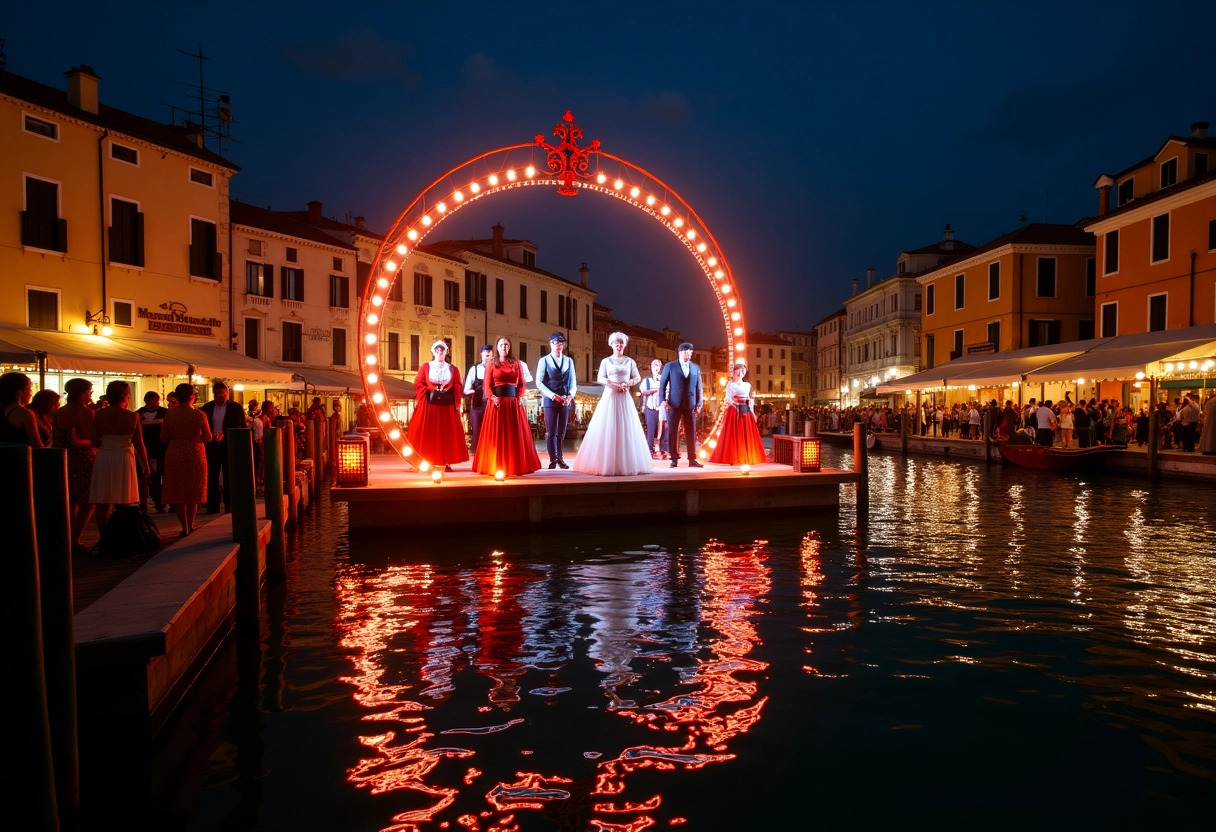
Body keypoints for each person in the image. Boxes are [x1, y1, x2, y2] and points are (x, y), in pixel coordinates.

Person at [573, 332, 652, 476]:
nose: (619, 345)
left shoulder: (630, 361)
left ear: (625, 344)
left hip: (625, 396)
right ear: (611, 344)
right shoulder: (606, 361)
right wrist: (614, 385)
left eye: (621, 342)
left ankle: (627, 462)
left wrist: (627, 384)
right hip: (610, 395)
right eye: (616, 342)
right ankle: (606, 462)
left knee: (626, 427)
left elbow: (638, 377)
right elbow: (601, 377)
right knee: (608, 426)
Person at [472, 337, 541, 477]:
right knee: (496, 435)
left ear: (509, 347)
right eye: (502, 345)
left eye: (507, 345)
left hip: (512, 403)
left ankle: (516, 465)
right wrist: (492, 397)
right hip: (497, 403)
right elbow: (487, 385)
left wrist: (519, 397)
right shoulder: (492, 364)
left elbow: (521, 383)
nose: (504, 347)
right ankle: (495, 465)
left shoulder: (516, 363)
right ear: (497, 347)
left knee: (514, 435)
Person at [89, 379, 149, 535]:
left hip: (105, 456)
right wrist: (145, 464)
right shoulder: (133, 416)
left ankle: (105, 537)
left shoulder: (99, 415)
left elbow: (94, 441)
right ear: (126, 396)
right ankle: (122, 536)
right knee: (123, 499)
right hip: (124, 457)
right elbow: (139, 444)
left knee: (103, 500)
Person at [51, 378, 97, 553]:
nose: (90, 395)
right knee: (88, 501)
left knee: (70, 501)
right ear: (81, 393)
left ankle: (69, 537)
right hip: (83, 459)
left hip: (64, 459)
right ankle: (76, 538)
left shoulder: (59, 412)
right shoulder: (85, 413)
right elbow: (89, 438)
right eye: (89, 392)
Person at [409, 340, 469, 472]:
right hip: (429, 405)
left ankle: (445, 460)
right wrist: (431, 388)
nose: (440, 352)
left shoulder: (452, 368)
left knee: (446, 433)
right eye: (438, 350)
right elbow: (418, 382)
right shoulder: (426, 367)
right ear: (433, 351)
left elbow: (458, 384)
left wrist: (449, 388)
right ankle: (425, 459)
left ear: (446, 352)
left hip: (446, 406)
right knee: (428, 432)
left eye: (442, 350)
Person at [161, 382, 211, 537]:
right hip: (195, 451)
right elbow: (208, 437)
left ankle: (184, 526)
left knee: (178, 490)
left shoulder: (170, 414)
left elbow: (163, 438)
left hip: (175, 450)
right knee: (193, 490)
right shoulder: (199, 415)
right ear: (192, 397)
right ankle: (191, 523)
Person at [201, 380, 246, 513]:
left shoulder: (235, 407)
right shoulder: (208, 407)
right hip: (212, 444)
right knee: (211, 476)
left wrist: (224, 434)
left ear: (227, 393)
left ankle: (230, 505)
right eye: (216, 394)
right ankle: (212, 506)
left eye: (221, 393)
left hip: (228, 444)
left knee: (229, 475)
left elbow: (239, 425)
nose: (219, 396)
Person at [709, 363, 766, 466]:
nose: (741, 373)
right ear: (735, 372)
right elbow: (728, 398)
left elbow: (750, 400)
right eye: (739, 371)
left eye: (743, 371)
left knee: (746, 433)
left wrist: (752, 412)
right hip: (734, 410)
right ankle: (733, 455)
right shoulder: (730, 384)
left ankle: (747, 455)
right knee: (733, 433)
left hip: (745, 409)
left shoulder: (747, 385)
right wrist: (736, 406)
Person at [536, 332, 577, 469]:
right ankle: (553, 459)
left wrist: (570, 396)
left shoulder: (569, 361)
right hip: (550, 400)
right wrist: (553, 395)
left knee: (561, 432)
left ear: (563, 345)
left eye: (560, 343)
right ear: (551, 344)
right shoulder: (544, 360)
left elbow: (573, 382)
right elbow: (539, 382)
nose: (558, 346)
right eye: (555, 343)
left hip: (565, 399)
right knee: (551, 431)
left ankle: (560, 459)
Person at [658, 342, 704, 468]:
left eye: (689, 351)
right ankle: (674, 458)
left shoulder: (695, 368)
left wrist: (699, 403)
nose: (687, 353)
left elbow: (699, 387)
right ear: (679, 352)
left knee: (691, 432)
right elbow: (662, 385)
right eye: (684, 351)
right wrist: (662, 401)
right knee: (673, 431)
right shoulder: (670, 366)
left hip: (690, 403)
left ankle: (692, 459)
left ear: (691, 353)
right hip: (674, 403)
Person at [136, 390, 169, 512]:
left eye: (156, 400)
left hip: (162, 448)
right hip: (146, 449)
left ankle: (164, 502)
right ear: (146, 401)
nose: (154, 402)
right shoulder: (139, 413)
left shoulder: (165, 412)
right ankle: (154, 502)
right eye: (152, 400)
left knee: (163, 476)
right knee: (150, 477)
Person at [464, 344, 494, 456]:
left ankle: (491, 454)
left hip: (491, 405)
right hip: (477, 406)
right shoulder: (474, 369)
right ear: (481, 355)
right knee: (477, 431)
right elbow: (466, 389)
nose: (487, 358)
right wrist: (474, 392)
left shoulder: (495, 368)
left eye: (490, 355)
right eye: (486, 355)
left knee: (492, 431)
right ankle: (478, 455)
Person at [0, 371, 43, 446]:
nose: (31, 392)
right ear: (19, 392)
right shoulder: (24, 413)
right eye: (29, 388)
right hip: (20, 456)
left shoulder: (4, 410)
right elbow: (37, 445)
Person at [638, 358, 669, 459]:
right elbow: (644, 391)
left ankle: (663, 449)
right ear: (651, 367)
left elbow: (667, 391)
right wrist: (656, 389)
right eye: (654, 365)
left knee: (663, 428)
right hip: (650, 406)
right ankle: (650, 449)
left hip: (662, 407)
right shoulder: (647, 380)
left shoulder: (664, 379)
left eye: (658, 365)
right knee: (651, 428)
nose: (656, 367)